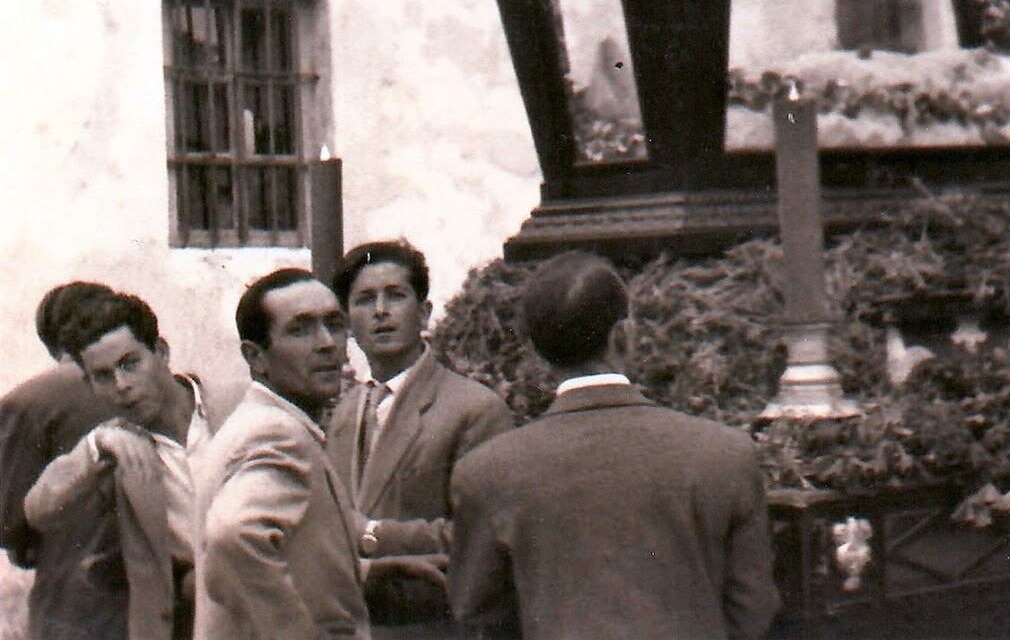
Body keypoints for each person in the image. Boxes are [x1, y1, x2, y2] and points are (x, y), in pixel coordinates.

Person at [449, 252, 781, 640]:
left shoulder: (487, 473)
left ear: (536, 352)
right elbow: (753, 610)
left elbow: (480, 619)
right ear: (625, 335)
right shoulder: (725, 455)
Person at [326, 241, 512, 637]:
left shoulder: (474, 409)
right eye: (364, 300)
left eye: (395, 296)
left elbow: (480, 536)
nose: (380, 311)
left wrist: (371, 534)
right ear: (348, 324)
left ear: (424, 312)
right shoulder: (345, 411)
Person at [25, 291, 219, 640]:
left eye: (130, 363)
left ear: (161, 352)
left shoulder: (233, 405)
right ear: (88, 384)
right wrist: (97, 447)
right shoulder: (115, 447)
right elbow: (40, 510)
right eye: (102, 375)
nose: (122, 386)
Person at [192, 269, 369, 640]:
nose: (327, 344)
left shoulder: (258, 423)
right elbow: (233, 537)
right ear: (255, 357)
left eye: (334, 325)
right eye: (300, 329)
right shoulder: (277, 433)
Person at [0, 282, 121, 640]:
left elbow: (8, 521)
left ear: (51, 339)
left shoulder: (29, 400)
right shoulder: (150, 386)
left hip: (74, 599)